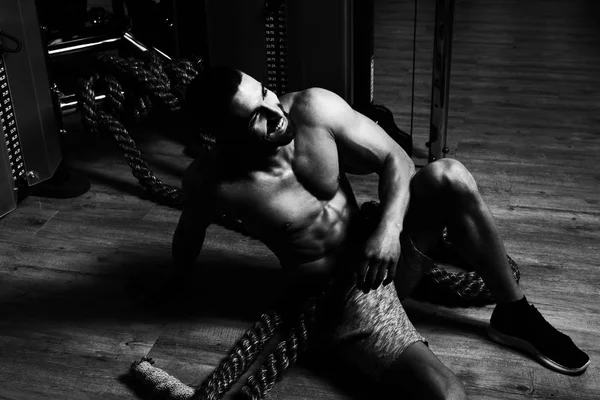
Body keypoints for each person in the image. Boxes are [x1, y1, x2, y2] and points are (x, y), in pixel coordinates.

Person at [172, 66, 590, 399]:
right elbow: (188, 234)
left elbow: (397, 158)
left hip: (381, 257)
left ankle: (513, 314)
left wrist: (389, 229)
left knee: (450, 176)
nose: (274, 113)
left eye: (264, 92)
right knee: (448, 393)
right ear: (224, 137)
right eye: (255, 120)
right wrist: (173, 287)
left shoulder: (313, 109)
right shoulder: (213, 182)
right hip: (342, 299)